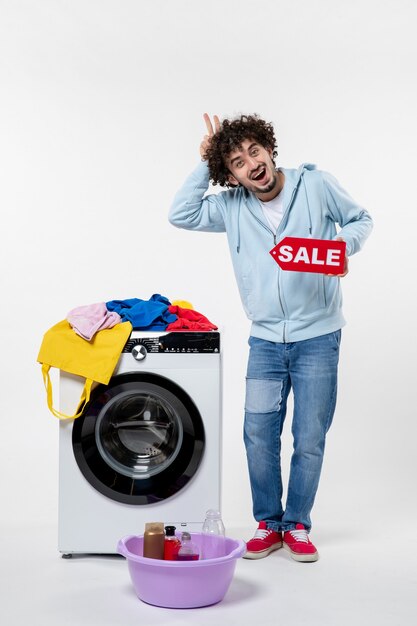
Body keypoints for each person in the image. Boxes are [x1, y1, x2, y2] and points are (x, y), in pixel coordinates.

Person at [169, 113, 373, 562]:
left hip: (319, 336)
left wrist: (343, 247)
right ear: (232, 175)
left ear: (268, 148)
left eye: (254, 151)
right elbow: (180, 214)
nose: (251, 165)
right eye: (237, 163)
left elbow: (361, 219)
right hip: (264, 341)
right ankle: (268, 523)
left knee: (309, 435)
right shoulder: (231, 206)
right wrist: (206, 162)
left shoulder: (316, 185)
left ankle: (296, 525)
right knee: (258, 434)